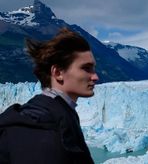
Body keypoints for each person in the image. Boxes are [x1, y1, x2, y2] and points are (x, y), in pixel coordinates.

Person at [0, 28, 99, 164]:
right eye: (86, 68)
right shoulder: (41, 126)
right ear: (58, 72)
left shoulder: (58, 114)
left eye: (94, 68)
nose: (95, 77)